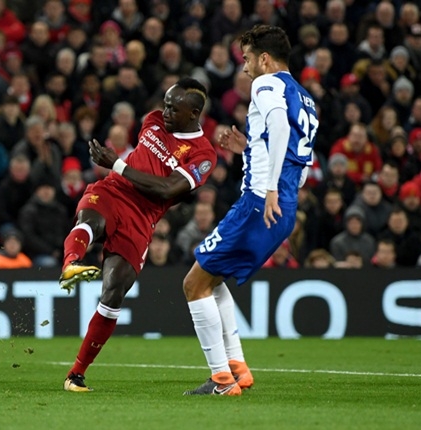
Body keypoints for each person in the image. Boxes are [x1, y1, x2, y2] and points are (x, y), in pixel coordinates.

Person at [182, 25, 317, 396]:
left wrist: (268, 188)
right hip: (281, 207)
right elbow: (299, 164)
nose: (244, 68)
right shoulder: (305, 99)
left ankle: (222, 379)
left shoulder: (266, 84)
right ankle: (237, 369)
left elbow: (278, 129)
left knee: (194, 284)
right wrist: (249, 150)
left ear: (265, 59)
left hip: (260, 202)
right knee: (212, 281)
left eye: (246, 59)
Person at [59, 77, 217, 392]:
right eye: (166, 102)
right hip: (113, 191)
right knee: (90, 220)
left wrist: (115, 163)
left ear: (194, 113)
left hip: (143, 217)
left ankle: (76, 374)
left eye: (174, 107)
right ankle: (71, 263)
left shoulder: (203, 155)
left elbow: (167, 189)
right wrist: (117, 171)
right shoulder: (154, 120)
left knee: (114, 291)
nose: (166, 110)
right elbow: (137, 168)